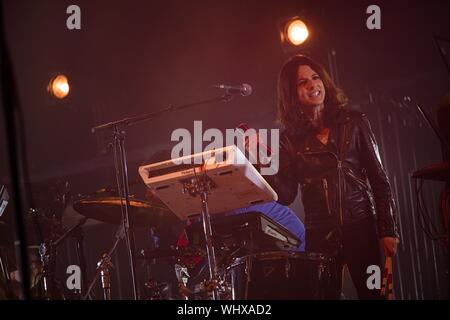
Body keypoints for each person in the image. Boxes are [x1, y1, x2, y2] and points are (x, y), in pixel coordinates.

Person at [268, 54, 399, 299]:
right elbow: (285, 195)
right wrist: (260, 161)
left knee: (374, 296)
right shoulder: (288, 140)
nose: (312, 85)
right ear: (291, 93)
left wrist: (387, 229)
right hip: (320, 234)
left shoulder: (354, 121)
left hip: (362, 227)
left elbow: (379, 179)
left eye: (315, 78)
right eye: (302, 82)